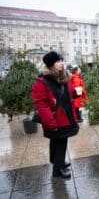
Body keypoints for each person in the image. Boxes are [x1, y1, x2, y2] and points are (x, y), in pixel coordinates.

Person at [31, 51, 79, 179]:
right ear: (51, 64)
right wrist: (51, 123)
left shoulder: (62, 77)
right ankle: (57, 170)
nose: (61, 63)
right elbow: (42, 105)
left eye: (62, 60)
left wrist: (74, 93)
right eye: (58, 61)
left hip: (66, 116)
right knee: (60, 142)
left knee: (58, 141)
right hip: (55, 118)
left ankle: (58, 162)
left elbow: (66, 94)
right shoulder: (42, 82)